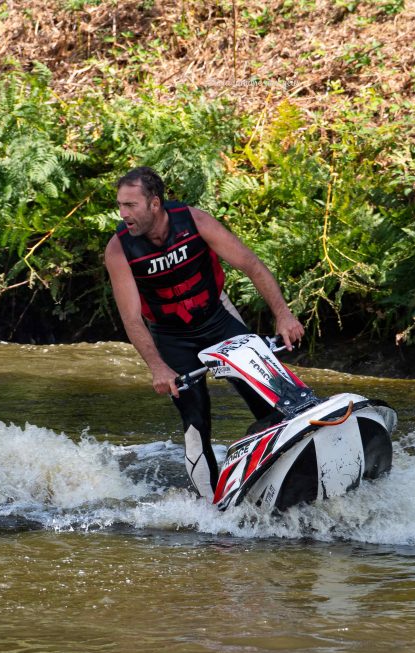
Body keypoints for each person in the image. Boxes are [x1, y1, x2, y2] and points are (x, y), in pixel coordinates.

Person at [104, 166, 305, 500]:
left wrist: (283, 315)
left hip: (216, 320)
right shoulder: (119, 249)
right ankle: (212, 510)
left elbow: (251, 265)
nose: (123, 214)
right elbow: (132, 318)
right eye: (120, 205)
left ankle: (292, 470)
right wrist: (157, 366)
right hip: (171, 337)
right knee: (195, 419)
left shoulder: (194, 221)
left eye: (131, 205)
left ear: (155, 203)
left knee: (269, 396)